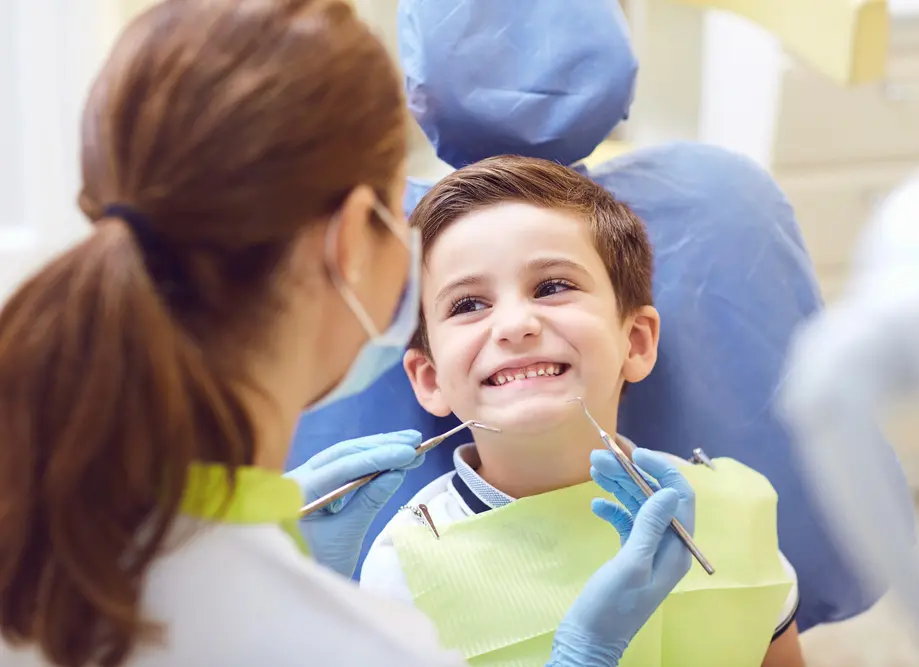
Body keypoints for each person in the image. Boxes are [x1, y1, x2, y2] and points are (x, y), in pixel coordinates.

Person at [0, 2, 696, 666]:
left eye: (551, 287)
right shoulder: (368, 641)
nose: (516, 324)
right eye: (402, 204)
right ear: (351, 237)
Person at [358, 156, 806, 667]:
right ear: (431, 379)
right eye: (467, 305)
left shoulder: (729, 513)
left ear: (635, 342)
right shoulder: (403, 572)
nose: (515, 324)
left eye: (552, 287)